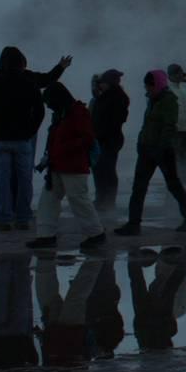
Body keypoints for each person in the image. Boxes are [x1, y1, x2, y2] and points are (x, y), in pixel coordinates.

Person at [0, 47, 72, 232]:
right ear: (22, 62)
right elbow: (43, 96)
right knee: (24, 178)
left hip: (1, 138)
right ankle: (23, 218)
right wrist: (30, 130)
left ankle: (3, 218)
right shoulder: (28, 79)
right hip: (23, 139)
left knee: (2, 179)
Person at [114, 70, 186, 236]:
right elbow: (147, 124)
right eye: (146, 86)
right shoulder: (153, 100)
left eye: (149, 86)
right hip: (146, 149)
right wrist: (141, 142)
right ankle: (133, 223)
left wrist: (162, 146)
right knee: (139, 187)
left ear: (157, 85)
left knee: (173, 185)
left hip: (163, 150)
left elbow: (169, 126)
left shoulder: (169, 101)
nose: (147, 89)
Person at [28, 83, 106, 251]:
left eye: (49, 101)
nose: (48, 106)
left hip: (74, 166)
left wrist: (62, 150)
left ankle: (96, 233)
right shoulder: (62, 114)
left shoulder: (78, 113)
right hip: (58, 165)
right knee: (48, 200)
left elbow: (87, 138)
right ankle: (45, 235)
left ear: (58, 98)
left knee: (78, 200)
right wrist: (49, 158)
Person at [89, 69, 130, 211]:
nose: (100, 86)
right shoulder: (106, 96)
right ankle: (102, 198)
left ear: (110, 83)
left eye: (103, 83)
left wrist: (99, 133)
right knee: (99, 169)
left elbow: (115, 121)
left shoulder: (118, 98)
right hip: (102, 139)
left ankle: (108, 200)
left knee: (108, 170)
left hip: (110, 139)